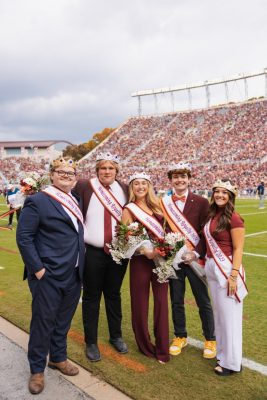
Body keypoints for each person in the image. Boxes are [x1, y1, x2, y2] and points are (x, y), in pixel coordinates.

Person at [16, 157, 85, 395]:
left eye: (71, 173)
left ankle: (58, 357)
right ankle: (37, 369)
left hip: (74, 273)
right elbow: (24, 237)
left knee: (63, 321)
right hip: (49, 274)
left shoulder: (75, 199)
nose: (67, 175)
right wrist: (38, 269)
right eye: (61, 172)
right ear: (52, 174)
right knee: (42, 323)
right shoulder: (38, 200)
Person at [74, 152, 128, 362]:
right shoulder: (85, 186)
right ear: (97, 171)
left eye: (111, 168)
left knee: (114, 295)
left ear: (116, 171)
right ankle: (91, 341)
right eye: (103, 168)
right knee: (91, 297)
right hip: (93, 252)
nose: (107, 172)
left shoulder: (124, 188)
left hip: (118, 252)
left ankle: (116, 336)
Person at [160, 162, 216, 358]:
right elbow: (162, 231)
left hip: (194, 260)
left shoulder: (201, 201)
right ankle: (180, 335)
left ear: (189, 179)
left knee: (203, 301)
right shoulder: (164, 202)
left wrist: (196, 253)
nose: (180, 180)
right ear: (171, 180)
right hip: (174, 261)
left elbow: (206, 232)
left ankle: (210, 339)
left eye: (183, 176)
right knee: (176, 300)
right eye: (176, 177)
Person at [122, 172, 170, 363]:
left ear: (149, 186)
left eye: (144, 183)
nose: (140, 187)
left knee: (161, 303)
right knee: (140, 304)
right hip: (141, 261)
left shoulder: (159, 206)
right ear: (132, 188)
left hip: (161, 260)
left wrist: (167, 248)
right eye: (136, 184)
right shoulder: (129, 209)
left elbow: (168, 231)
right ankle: (145, 345)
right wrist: (144, 250)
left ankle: (163, 348)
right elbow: (124, 238)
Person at [202, 179, 248, 375]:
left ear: (230, 197)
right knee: (220, 316)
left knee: (229, 318)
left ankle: (231, 364)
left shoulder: (234, 218)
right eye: (217, 191)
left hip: (227, 269)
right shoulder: (212, 215)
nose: (220, 195)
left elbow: (238, 248)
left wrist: (233, 275)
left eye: (224, 192)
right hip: (213, 268)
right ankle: (223, 355)